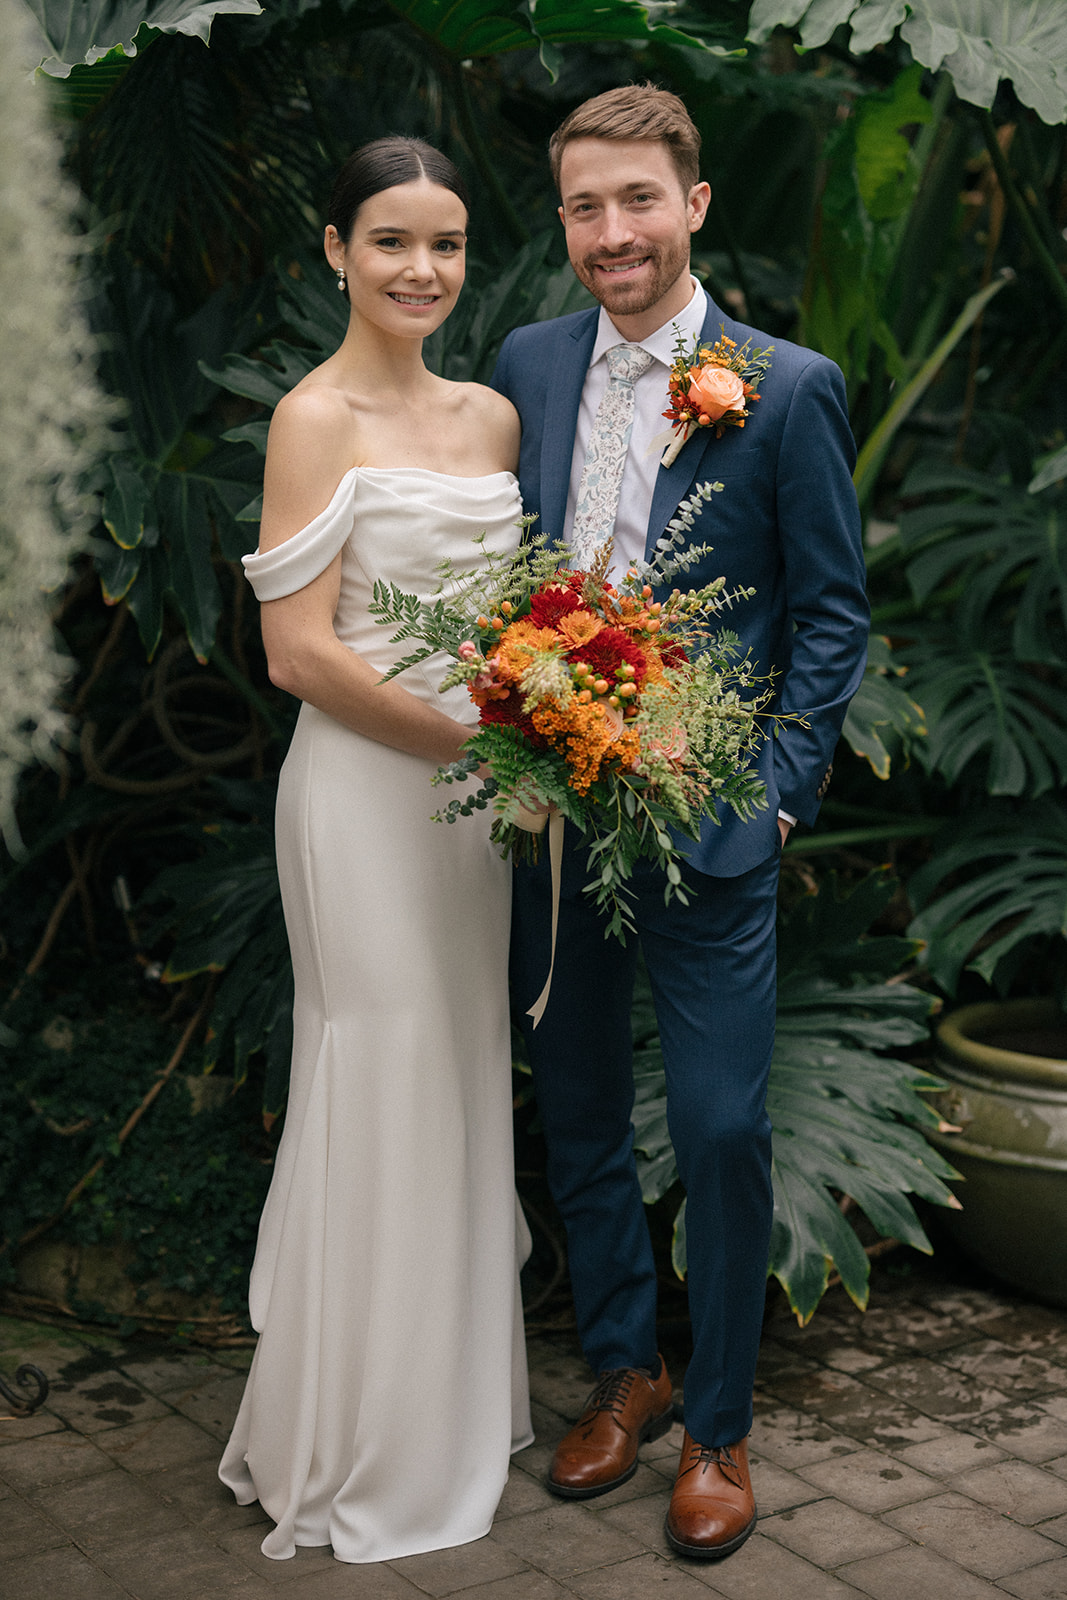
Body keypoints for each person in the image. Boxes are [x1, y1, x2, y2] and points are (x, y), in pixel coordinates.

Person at [492, 86, 869, 1560]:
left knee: (715, 1128)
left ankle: (719, 1428)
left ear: (694, 205)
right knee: (578, 1110)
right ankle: (627, 1374)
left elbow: (831, 615)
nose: (611, 233)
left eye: (637, 201)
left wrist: (774, 798)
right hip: (551, 818)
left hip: (714, 824)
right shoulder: (526, 361)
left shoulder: (784, 385)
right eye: (586, 206)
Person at [219, 137, 533, 1564]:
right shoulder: (311, 417)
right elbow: (296, 655)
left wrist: (544, 733)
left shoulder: (491, 421)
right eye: (393, 241)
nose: (423, 270)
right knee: (386, 1068)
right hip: (363, 798)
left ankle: (447, 1407)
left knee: (461, 1079)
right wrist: (479, 749)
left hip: (477, 821)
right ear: (334, 249)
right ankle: (359, 1440)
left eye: (447, 243)